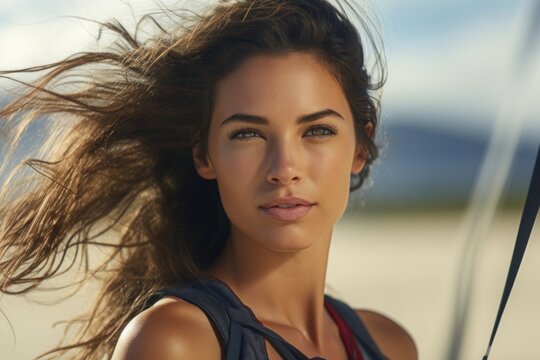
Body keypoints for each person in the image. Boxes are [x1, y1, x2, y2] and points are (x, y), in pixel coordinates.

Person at [0, 0, 417, 359]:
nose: (284, 167)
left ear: (360, 147)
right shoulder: (175, 342)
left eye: (317, 130)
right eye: (248, 134)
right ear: (204, 154)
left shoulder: (391, 345)